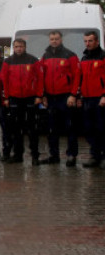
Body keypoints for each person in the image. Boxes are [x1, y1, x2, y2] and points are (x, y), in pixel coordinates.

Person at [0, 38, 43, 165]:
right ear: (13, 47)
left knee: (32, 129)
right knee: (15, 129)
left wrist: (39, 95)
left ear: (25, 47)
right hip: (14, 98)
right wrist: (6, 98)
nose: (19, 48)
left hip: (30, 98)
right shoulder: (8, 62)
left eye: (21, 46)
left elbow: (40, 79)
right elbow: (4, 81)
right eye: (16, 46)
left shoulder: (33, 60)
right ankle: (18, 155)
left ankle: (35, 155)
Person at [40, 31, 80, 166]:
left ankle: (71, 155)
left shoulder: (70, 55)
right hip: (51, 97)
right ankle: (54, 155)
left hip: (66, 97)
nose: (54, 41)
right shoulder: (45, 56)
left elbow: (76, 76)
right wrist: (43, 95)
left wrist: (73, 95)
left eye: (57, 39)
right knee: (52, 128)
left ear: (61, 39)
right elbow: (41, 76)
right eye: (52, 39)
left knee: (70, 127)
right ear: (49, 40)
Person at [79, 31, 105, 168]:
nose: (87, 44)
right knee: (89, 129)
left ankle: (99, 155)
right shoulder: (84, 58)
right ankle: (96, 155)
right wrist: (79, 96)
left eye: (90, 41)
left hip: (100, 99)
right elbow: (81, 78)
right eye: (85, 41)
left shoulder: (103, 56)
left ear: (97, 42)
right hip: (87, 98)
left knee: (101, 128)